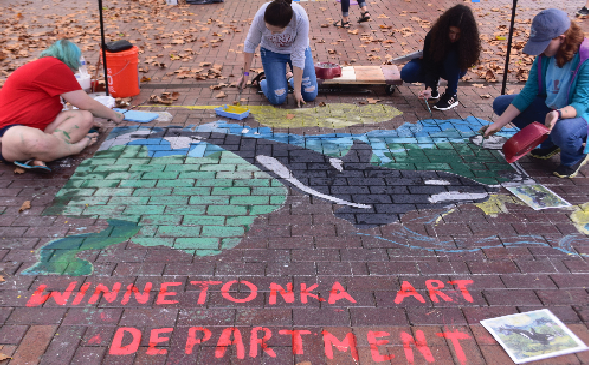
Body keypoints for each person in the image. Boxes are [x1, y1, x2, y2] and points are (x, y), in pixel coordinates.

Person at [484, 9, 589, 178]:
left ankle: (575, 155)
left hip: (580, 115)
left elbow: (581, 105)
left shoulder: (586, 58)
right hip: (553, 108)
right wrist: (498, 124)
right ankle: (549, 142)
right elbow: (528, 93)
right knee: (502, 105)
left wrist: (558, 113)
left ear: (561, 39)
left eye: (544, 43)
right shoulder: (545, 55)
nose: (540, 49)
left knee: (563, 130)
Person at [0, 40, 125, 171]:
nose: (76, 70)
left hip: (40, 128)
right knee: (33, 140)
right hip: (7, 132)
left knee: (86, 117)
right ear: (70, 58)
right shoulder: (53, 66)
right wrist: (114, 115)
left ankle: (43, 154)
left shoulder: (48, 66)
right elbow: (86, 103)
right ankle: (74, 148)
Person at [400, 5, 481, 110]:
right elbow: (429, 61)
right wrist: (429, 87)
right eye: (451, 32)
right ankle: (433, 88)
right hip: (435, 63)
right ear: (445, 27)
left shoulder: (467, 40)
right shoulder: (434, 34)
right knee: (407, 73)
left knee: (452, 56)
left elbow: (465, 62)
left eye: (458, 34)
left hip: (454, 68)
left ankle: (451, 96)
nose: (454, 37)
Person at [239, 0, 318, 107]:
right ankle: (264, 80)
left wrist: (298, 91)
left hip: (296, 51)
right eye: (268, 28)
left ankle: (290, 78)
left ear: (289, 21)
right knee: (278, 98)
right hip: (272, 53)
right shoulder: (261, 15)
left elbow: (299, 55)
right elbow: (250, 44)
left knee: (309, 93)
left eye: (276, 31)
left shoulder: (300, 17)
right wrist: (245, 74)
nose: (271, 33)